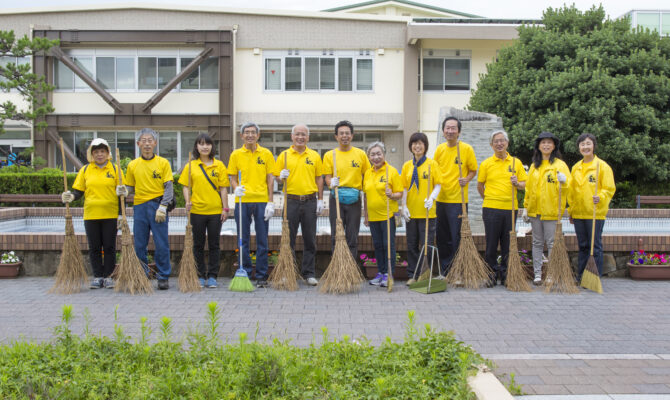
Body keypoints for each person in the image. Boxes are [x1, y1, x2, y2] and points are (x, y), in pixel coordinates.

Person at [117, 128, 174, 290]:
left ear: (155, 143)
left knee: (161, 243)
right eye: (144, 140)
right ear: (138, 144)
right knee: (140, 243)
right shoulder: (133, 165)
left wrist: (163, 206)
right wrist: (124, 191)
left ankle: (163, 276)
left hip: (157, 206)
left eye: (150, 140)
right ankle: (142, 274)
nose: (147, 143)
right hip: (140, 206)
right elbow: (130, 187)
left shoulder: (163, 163)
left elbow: (168, 186)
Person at [61, 138, 122, 289]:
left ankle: (108, 276)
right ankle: (97, 276)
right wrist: (71, 196)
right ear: (91, 154)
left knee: (109, 247)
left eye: (102, 152)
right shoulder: (85, 170)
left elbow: (121, 195)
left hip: (110, 214)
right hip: (91, 215)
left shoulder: (115, 169)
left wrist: (121, 214)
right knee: (94, 247)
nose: (100, 155)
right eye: (96, 152)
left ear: (108, 153)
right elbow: (79, 191)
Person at [273, 124, 324, 286]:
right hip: (291, 201)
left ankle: (309, 273)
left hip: (310, 201)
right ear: (292, 137)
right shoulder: (284, 155)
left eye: (303, 134)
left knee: (310, 239)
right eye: (297, 134)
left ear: (308, 137)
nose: (300, 137)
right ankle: (289, 272)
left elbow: (319, 179)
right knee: (288, 238)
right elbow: (276, 177)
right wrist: (280, 177)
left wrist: (321, 199)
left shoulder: (315, 156)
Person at [227, 122, 275, 288]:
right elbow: (232, 177)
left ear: (258, 135)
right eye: (246, 132)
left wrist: (270, 201)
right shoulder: (236, 154)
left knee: (263, 240)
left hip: (262, 200)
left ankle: (262, 275)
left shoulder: (266, 153)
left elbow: (270, 178)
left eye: (253, 132)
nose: (249, 135)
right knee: (243, 239)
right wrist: (236, 188)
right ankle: (245, 272)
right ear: (242, 136)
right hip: (243, 201)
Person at [178, 133, 229, 289]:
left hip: (215, 211)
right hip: (197, 211)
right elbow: (186, 186)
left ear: (212, 146)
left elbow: (223, 188)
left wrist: (225, 208)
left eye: (208, 144)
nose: (205, 146)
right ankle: (200, 275)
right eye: (201, 144)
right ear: (197, 147)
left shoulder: (219, 165)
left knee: (214, 244)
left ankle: (213, 276)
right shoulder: (190, 166)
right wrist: (188, 201)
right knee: (198, 245)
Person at [477, 130, 527, 287]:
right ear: (491, 145)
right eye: (496, 141)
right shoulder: (486, 163)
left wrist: (517, 183)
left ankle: (506, 275)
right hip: (491, 208)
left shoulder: (515, 163)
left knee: (507, 244)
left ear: (507, 143)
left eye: (502, 141)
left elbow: (524, 184)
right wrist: (489, 199)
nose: (499, 143)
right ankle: (490, 275)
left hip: (510, 208)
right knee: (491, 243)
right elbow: (480, 185)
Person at [522, 132, 571, 285]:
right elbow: (528, 189)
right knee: (537, 242)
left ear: (554, 146)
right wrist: (525, 208)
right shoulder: (534, 166)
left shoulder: (560, 165)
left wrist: (564, 182)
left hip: (551, 211)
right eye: (543, 143)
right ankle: (537, 274)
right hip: (535, 211)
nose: (546, 145)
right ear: (538, 146)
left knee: (551, 243)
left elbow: (569, 186)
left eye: (549, 142)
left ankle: (552, 273)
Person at [433, 117, 478, 277]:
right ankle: (445, 271)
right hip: (441, 200)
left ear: (458, 131)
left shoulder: (466, 149)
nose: (450, 131)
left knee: (457, 236)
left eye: (453, 128)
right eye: (447, 128)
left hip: (458, 200)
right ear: (443, 131)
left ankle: (459, 270)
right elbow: (435, 172)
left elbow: (473, 170)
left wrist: (466, 179)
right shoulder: (439, 149)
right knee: (443, 236)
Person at [568, 133, 615, 281]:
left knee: (595, 246)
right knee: (582, 246)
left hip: (595, 213)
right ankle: (581, 275)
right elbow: (571, 191)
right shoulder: (576, 167)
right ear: (579, 148)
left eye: (588, 144)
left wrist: (600, 196)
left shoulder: (602, 166)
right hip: (579, 214)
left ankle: (594, 277)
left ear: (594, 146)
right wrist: (571, 211)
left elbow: (609, 188)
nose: (585, 147)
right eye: (582, 144)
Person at [322, 120, 371, 260]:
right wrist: (331, 182)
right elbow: (327, 177)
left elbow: (367, 177)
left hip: (355, 198)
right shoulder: (329, 155)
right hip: (336, 197)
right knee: (337, 234)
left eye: (347, 133)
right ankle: (337, 268)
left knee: (352, 235)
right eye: (341, 133)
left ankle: (351, 269)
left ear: (352, 135)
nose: (344, 136)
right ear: (336, 136)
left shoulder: (360, 154)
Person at [400, 132, 443, 285]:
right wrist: (403, 206)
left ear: (425, 146)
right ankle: (412, 274)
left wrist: (432, 198)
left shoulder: (432, 164)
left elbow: (438, 184)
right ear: (410, 146)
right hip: (411, 212)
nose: (417, 146)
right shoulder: (407, 166)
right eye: (414, 143)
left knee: (427, 245)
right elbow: (404, 188)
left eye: (420, 143)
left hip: (427, 213)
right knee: (411, 244)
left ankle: (424, 274)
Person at [362, 142, 403, 287]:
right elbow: (366, 196)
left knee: (388, 245)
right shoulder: (368, 172)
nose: (376, 157)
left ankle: (388, 274)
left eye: (378, 153)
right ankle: (381, 272)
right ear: (369, 157)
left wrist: (392, 194)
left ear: (384, 154)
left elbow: (400, 193)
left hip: (388, 215)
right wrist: (366, 216)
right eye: (372, 154)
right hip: (373, 217)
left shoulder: (391, 171)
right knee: (378, 245)